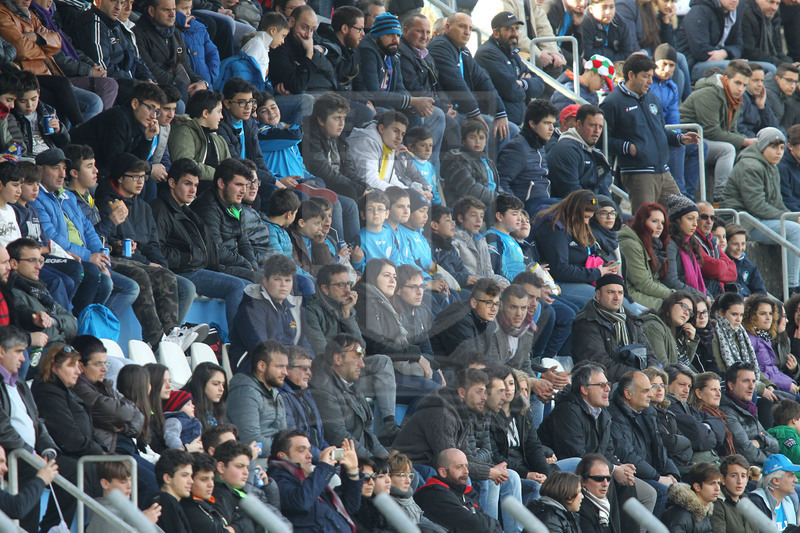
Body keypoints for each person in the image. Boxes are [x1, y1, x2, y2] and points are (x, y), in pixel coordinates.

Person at [150, 158, 249, 332]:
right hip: (182, 271)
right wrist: (187, 258)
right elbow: (157, 251)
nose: (193, 190)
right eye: (188, 184)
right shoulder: (160, 210)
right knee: (237, 286)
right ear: (172, 183)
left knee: (248, 285)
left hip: (197, 268)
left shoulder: (187, 211)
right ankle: (236, 342)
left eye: (195, 185)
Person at [601, 54, 697, 211]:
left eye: (651, 77)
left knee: (681, 213)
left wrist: (680, 138)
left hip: (663, 170)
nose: (650, 82)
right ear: (631, 75)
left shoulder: (652, 98)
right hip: (638, 173)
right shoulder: (612, 102)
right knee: (646, 220)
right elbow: (602, 140)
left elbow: (660, 131)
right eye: (645, 76)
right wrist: (627, 147)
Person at [428, 13, 518, 158]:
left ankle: (493, 171)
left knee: (511, 130)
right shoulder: (440, 46)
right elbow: (455, 82)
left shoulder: (463, 50)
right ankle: (478, 170)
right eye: (462, 27)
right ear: (448, 27)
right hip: (448, 110)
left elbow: (483, 80)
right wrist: (474, 112)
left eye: (470, 28)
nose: (467, 32)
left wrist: (500, 112)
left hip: (464, 111)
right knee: (484, 128)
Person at [679, 61, 755, 199]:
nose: (741, 89)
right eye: (737, 83)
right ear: (726, 79)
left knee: (751, 151)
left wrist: (751, 143)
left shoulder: (735, 99)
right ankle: (721, 195)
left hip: (707, 140)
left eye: (744, 85)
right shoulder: (709, 93)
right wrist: (745, 141)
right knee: (727, 150)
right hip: (687, 139)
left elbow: (731, 131)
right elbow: (712, 131)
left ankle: (746, 197)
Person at [607, 371, 679, 517]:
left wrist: (672, 474)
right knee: (661, 492)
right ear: (628, 394)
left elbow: (660, 448)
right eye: (646, 390)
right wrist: (658, 478)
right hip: (636, 475)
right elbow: (626, 454)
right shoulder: (614, 415)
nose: (651, 395)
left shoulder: (648, 412)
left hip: (652, 473)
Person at [531, 190, 618, 309]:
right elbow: (560, 270)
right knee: (610, 300)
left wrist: (602, 268)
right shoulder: (555, 228)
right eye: (585, 217)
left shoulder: (573, 224)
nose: (586, 222)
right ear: (574, 211)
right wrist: (597, 272)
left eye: (590, 218)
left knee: (620, 299)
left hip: (580, 280)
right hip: (558, 283)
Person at [229, 253, 313, 372]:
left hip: (288, 366)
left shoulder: (294, 306)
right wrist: (295, 362)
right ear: (265, 281)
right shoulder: (251, 309)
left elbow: (305, 343)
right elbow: (261, 349)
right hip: (256, 369)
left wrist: (309, 362)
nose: (283, 285)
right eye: (277, 279)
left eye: (287, 280)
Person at [268, 429, 362, 532]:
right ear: (282, 456)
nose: (310, 455)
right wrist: (324, 467)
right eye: (301, 450)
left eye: (309, 450)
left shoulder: (308, 478)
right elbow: (301, 502)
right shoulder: (276, 479)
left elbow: (349, 507)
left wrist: (353, 472)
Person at [310, 334, 387, 458]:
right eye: (357, 358)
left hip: (362, 456)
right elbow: (338, 436)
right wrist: (373, 462)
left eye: (362, 358)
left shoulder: (350, 384)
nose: (362, 364)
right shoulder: (322, 388)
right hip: (341, 459)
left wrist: (386, 459)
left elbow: (367, 431)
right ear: (338, 359)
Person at [571, 273, 658, 381]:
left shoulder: (632, 320)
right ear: (598, 295)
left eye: (620, 293)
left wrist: (652, 373)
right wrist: (638, 376)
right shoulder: (587, 322)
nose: (617, 297)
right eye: (611, 292)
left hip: (636, 379)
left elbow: (650, 354)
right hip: (606, 384)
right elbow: (600, 365)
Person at [71, 82, 164, 177]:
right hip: (76, 168)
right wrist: (150, 169)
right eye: (150, 108)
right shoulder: (118, 118)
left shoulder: (138, 123)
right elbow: (114, 163)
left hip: (95, 170)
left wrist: (147, 139)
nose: (154, 116)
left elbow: (135, 164)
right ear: (135, 104)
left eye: (157, 111)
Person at [31, 344, 107, 459]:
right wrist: (101, 453)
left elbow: (90, 434)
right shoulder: (48, 394)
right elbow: (69, 438)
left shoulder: (67, 392)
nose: (78, 371)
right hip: (69, 459)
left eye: (77, 366)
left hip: (85, 455)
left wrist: (104, 451)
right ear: (54, 367)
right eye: (71, 366)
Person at [474, 12, 544, 127]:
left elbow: (540, 85)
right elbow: (512, 91)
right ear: (496, 33)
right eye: (509, 29)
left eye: (516, 29)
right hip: (499, 123)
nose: (515, 33)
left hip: (516, 121)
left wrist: (522, 83)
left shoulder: (511, 52)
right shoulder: (487, 53)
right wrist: (525, 86)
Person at [7, 238, 76, 350]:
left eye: (40, 261)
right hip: (42, 352)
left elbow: (73, 322)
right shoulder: (13, 293)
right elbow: (45, 331)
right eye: (32, 260)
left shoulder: (39, 290)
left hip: (59, 348)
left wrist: (53, 321)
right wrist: (60, 325)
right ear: (14, 264)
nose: (38, 266)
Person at [133, 0, 208, 102]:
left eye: (174, 9)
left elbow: (186, 68)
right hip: (156, 89)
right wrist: (179, 82)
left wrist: (201, 82)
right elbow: (150, 69)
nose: (172, 14)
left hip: (178, 86)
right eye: (166, 10)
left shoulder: (175, 33)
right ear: (151, 11)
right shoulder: (138, 32)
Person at [414, 448, 503, 533]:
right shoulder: (435, 494)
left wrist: (490, 523)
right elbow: (474, 525)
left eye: (466, 466)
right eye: (459, 467)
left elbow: (495, 527)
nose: (466, 471)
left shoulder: (466, 494)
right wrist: (491, 522)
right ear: (443, 472)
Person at [496, 99, 556, 214]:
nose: (551, 128)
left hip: (543, 203)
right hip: (528, 206)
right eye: (546, 123)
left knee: (582, 204)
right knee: (571, 208)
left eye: (553, 124)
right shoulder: (518, 147)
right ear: (532, 123)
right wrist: (517, 210)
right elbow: (501, 182)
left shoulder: (540, 146)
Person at [227, 339, 288, 452]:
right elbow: (251, 440)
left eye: (286, 367)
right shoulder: (244, 393)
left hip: (276, 455)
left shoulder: (275, 392)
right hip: (255, 459)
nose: (285, 372)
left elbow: (284, 434)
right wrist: (286, 451)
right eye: (280, 366)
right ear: (261, 366)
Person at [429, 278, 501, 371]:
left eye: (497, 304)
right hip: (439, 371)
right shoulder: (459, 319)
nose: (494, 309)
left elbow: (487, 360)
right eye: (489, 303)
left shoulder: (488, 322)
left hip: (462, 371)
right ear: (474, 303)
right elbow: (471, 361)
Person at [546, 104, 612, 201]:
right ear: (579, 125)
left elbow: (603, 188)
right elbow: (572, 193)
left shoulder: (594, 152)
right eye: (592, 125)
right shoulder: (565, 149)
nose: (597, 131)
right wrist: (597, 205)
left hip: (590, 204)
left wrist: (610, 206)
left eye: (600, 127)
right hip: (571, 206)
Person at [719, 362, 778, 466]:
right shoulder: (727, 412)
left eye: (753, 381)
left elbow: (776, 445)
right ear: (731, 385)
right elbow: (746, 451)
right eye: (746, 381)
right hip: (753, 469)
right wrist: (771, 463)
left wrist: (759, 442)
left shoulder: (749, 408)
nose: (752, 386)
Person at [618, 202, 675, 309]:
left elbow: (654, 282)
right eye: (654, 221)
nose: (660, 227)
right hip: (629, 296)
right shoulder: (630, 245)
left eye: (662, 223)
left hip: (642, 293)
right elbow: (643, 284)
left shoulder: (654, 243)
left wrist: (676, 296)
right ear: (642, 221)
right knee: (677, 307)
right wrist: (674, 295)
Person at [169, 90, 231, 183]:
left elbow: (230, 169)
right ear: (205, 113)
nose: (221, 116)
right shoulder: (184, 131)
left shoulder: (219, 140)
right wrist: (218, 175)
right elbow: (185, 164)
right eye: (219, 112)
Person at [744, 295, 800, 397]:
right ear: (752, 316)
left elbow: (773, 370)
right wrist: (787, 384)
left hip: (776, 384)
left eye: (770, 313)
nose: (769, 318)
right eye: (763, 314)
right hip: (766, 388)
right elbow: (762, 371)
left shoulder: (766, 337)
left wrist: (791, 379)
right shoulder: (750, 339)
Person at [676, 0, 744, 80]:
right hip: (693, 64)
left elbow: (739, 45)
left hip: (722, 59)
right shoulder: (699, 10)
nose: (734, 0)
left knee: (753, 68)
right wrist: (729, 56)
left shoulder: (735, 12)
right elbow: (700, 50)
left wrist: (725, 52)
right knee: (738, 70)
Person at [86, 460, 161, 533]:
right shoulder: (102, 515)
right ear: (105, 483)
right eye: (123, 482)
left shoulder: (126, 507)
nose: (129, 486)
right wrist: (143, 524)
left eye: (131, 480)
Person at [440, 120, 501, 208]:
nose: (477, 141)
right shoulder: (458, 160)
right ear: (463, 140)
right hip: (465, 208)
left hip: (488, 205)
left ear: (485, 142)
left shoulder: (488, 161)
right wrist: (498, 198)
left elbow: (495, 187)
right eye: (472, 137)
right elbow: (470, 189)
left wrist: (505, 197)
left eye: (481, 138)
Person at [663, 195, 707, 297]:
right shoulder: (670, 244)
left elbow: (700, 282)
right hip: (679, 298)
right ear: (677, 219)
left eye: (697, 220)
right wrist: (701, 296)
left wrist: (709, 297)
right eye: (690, 219)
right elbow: (671, 282)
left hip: (692, 296)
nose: (695, 224)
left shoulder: (690, 243)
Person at [210, 439, 259, 532]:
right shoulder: (218, 497)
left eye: (247, 467)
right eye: (239, 466)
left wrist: (268, 486)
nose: (246, 472)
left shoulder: (237, 492)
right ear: (221, 467)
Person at [694, 201, 737, 298]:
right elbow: (712, 268)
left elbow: (733, 272)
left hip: (718, 294)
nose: (709, 221)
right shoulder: (692, 239)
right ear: (695, 218)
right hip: (703, 296)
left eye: (712, 218)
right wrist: (721, 268)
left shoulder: (712, 240)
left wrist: (717, 270)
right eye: (704, 217)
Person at [660, 462, 720, 531]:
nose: (717, 488)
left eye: (718, 483)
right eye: (712, 483)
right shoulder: (679, 515)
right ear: (697, 487)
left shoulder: (704, 513)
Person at [148, 448, 193, 533]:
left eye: (191, 476)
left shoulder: (166, 501)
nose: (191, 481)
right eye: (184, 475)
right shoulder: (167, 502)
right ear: (167, 478)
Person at [750, 453, 800, 529]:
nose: (796, 480)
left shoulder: (789, 501)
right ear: (776, 480)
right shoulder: (756, 504)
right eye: (791, 475)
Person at [180, 452, 228, 532]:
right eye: (204, 479)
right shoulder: (191, 511)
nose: (211, 484)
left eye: (212, 479)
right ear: (190, 480)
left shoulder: (213, 500)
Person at [711, 454, 759, 532]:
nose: (739, 481)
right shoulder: (716, 505)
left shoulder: (748, 502)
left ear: (747, 479)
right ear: (722, 479)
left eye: (743, 476)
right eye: (734, 476)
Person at [577, 453, 622, 533]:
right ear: (583, 480)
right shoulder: (579, 509)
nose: (605, 484)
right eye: (599, 478)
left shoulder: (604, 505)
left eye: (608, 478)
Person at [737, 63, 779, 138]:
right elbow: (738, 128)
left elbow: (773, 128)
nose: (760, 84)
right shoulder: (741, 97)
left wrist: (762, 107)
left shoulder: (758, 98)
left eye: (762, 81)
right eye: (756, 80)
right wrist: (758, 140)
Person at [183, 362, 229, 430]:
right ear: (201, 384)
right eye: (216, 384)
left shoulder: (216, 407)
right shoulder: (185, 406)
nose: (222, 389)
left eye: (223, 384)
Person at [765, 63, 800, 131]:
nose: (793, 86)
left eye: (795, 82)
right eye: (789, 81)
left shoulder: (782, 94)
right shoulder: (768, 95)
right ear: (777, 78)